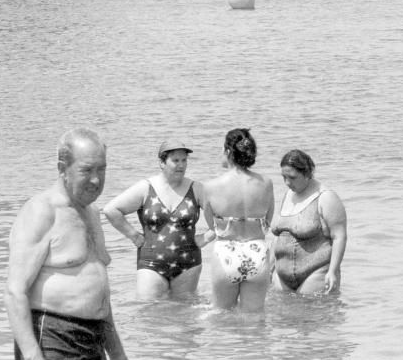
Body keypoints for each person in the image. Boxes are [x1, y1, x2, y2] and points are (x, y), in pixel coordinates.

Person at [5, 128, 134, 360]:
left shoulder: (91, 213)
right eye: (87, 170)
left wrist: (117, 353)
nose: (96, 179)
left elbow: (100, 291)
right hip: (53, 334)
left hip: (91, 336)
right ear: (62, 168)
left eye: (102, 169)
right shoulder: (42, 211)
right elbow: (14, 292)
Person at [102, 141, 205, 300]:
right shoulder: (146, 188)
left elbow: (224, 215)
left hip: (188, 264)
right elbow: (111, 210)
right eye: (175, 160)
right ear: (162, 163)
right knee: (147, 312)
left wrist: (207, 238)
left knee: (186, 314)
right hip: (151, 264)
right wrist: (134, 236)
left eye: (184, 160)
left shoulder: (196, 189)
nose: (181, 165)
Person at [200, 129, 276, 311]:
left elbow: (212, 225)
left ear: (228, 151)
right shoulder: (266, 183)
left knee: (220, 316)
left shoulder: (211, 186)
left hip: (227, 252)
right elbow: (268, 220)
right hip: (256, 252)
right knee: (255, 318)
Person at [270, 150, 348, 295]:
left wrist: (332, 272)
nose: (287, 183)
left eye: (292, 177)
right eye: (284, 177)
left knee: (314, 316)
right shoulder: (288, 195)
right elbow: (278, 235)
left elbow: (339, 237)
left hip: (315, 273)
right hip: (281, 275)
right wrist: (268, 267)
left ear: (307, 173)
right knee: (279, 316)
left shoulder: (326, 197)